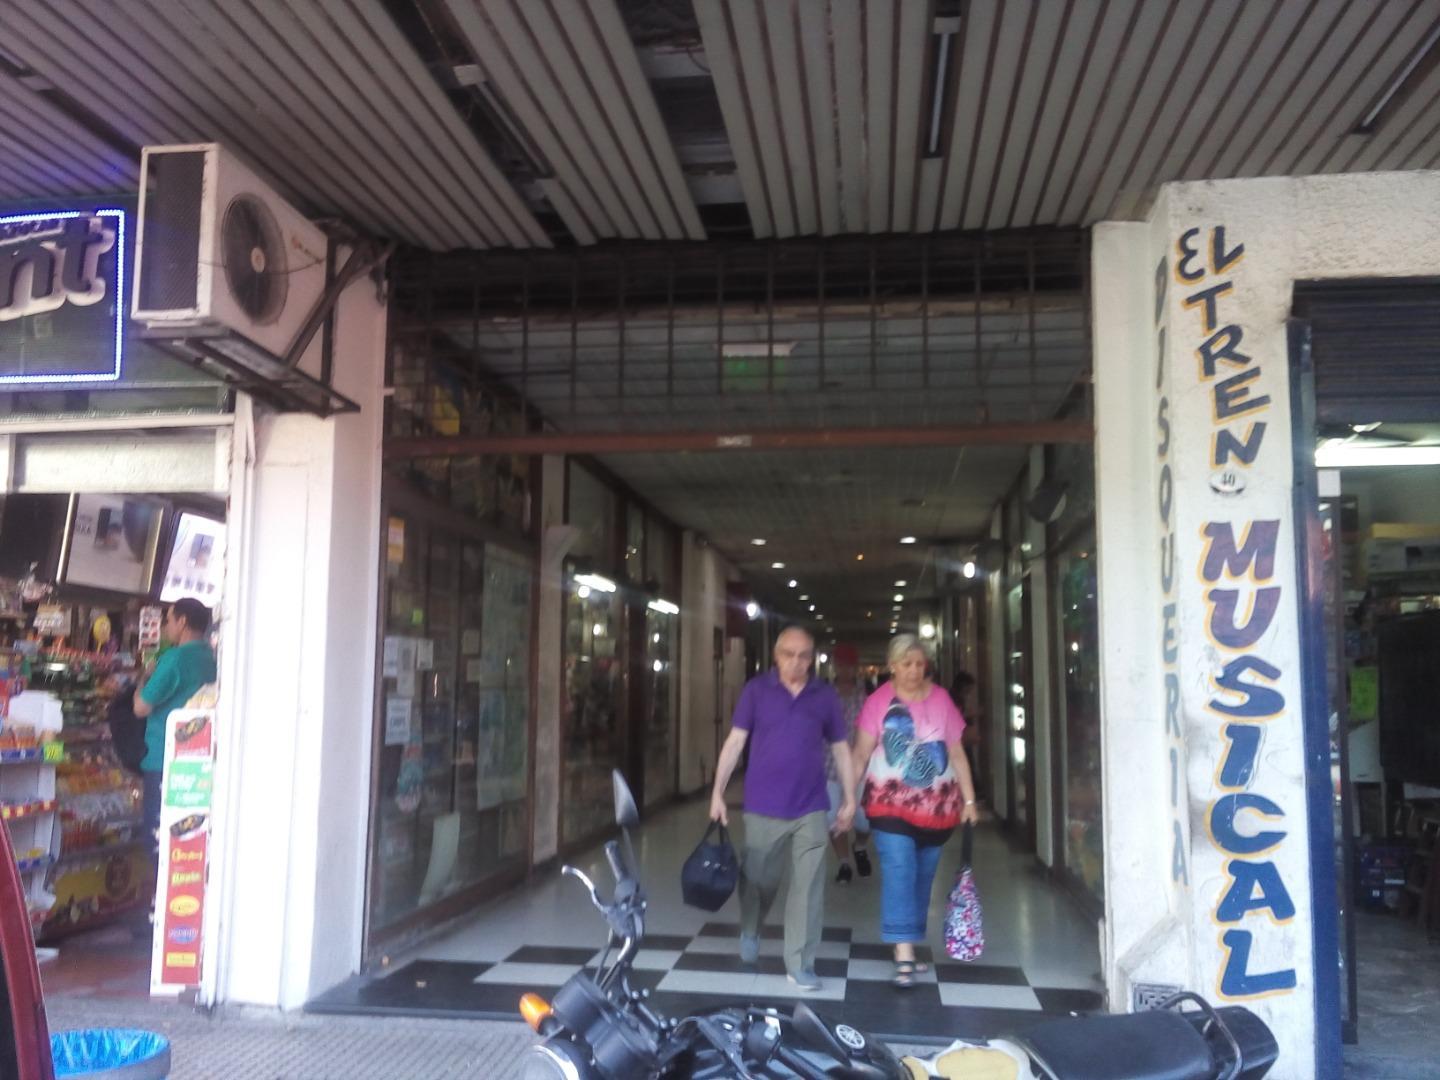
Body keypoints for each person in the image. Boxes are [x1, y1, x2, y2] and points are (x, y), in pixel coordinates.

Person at [709, 626, 855, 991]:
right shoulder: (756, 691)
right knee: (760, 879)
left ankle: (800, 963)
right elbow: (735, 743)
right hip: (763, 804)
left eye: (804, 655)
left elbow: (840, 749)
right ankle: (751, 927)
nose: (797, 661)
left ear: (812, 658)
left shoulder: (824, 696)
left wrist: (851, 798)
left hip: (810, 805)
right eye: (789, 654)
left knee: (808, 887)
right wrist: (717, 792)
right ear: (776, 656)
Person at [852, 634, 978, 988]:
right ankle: (903, 952)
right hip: (888, 805)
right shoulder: (878, 702)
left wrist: (969, 800)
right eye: (906, 664)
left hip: (938, 810)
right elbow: (861, 754)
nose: (914, 670)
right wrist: (849, 797)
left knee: (923, 877)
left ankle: (906, 940)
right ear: (892, 666)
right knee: (899, 870)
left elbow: (955, 752)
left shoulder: (941, 700)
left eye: (920, 664)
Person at [133, 598, 217, 845]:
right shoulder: (211, 658)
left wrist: (142, 680)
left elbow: (140, 708)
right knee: (186, 839)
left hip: (163, 760)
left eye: (168, 619)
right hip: (197, 761)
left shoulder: (175, 659)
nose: (165, 625)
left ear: (182, 622)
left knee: (157, 839)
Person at [826, 644, 871, 884]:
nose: (845, 670)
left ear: (856, 668)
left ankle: (860, 846)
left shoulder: (866, 695)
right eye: (840, 664)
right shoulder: (824, 694)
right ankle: (844, 864)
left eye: (849, 665)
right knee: (834, 819)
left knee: (866, 820)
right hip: (829, 768)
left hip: (861, 768)